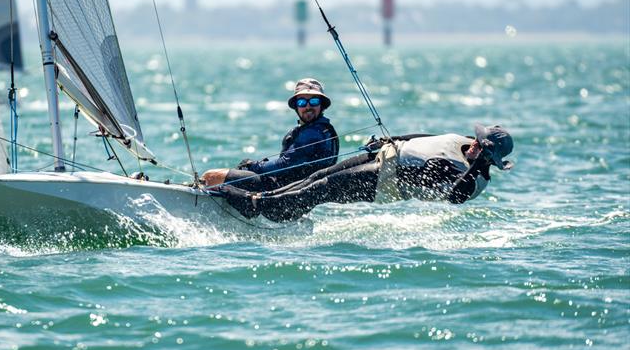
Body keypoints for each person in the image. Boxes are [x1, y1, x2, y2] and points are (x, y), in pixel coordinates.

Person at [218, 124, 514, 222]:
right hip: (382, 155)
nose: (475, 145)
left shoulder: (475, 180)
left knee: (326, 187)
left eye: (483, 149)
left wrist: (471, 166)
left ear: (490, 159)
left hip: (385, 183)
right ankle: (267, 196)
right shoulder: (462, 142)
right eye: (478, 140)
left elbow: (456, 197)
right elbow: (424, 138)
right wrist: (391, 139)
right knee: (315, 178)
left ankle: (264, 208)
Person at [201, 78, 339, 192]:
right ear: (296, 106)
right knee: (228, 181)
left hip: (279, 196)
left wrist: (253, 166)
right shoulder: (323, 130)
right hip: (289, 195)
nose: (308, 106)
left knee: (211, 176)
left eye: (314, 101)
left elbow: (285, 164)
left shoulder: (313, 133)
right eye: (302, 102)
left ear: (322, 105)